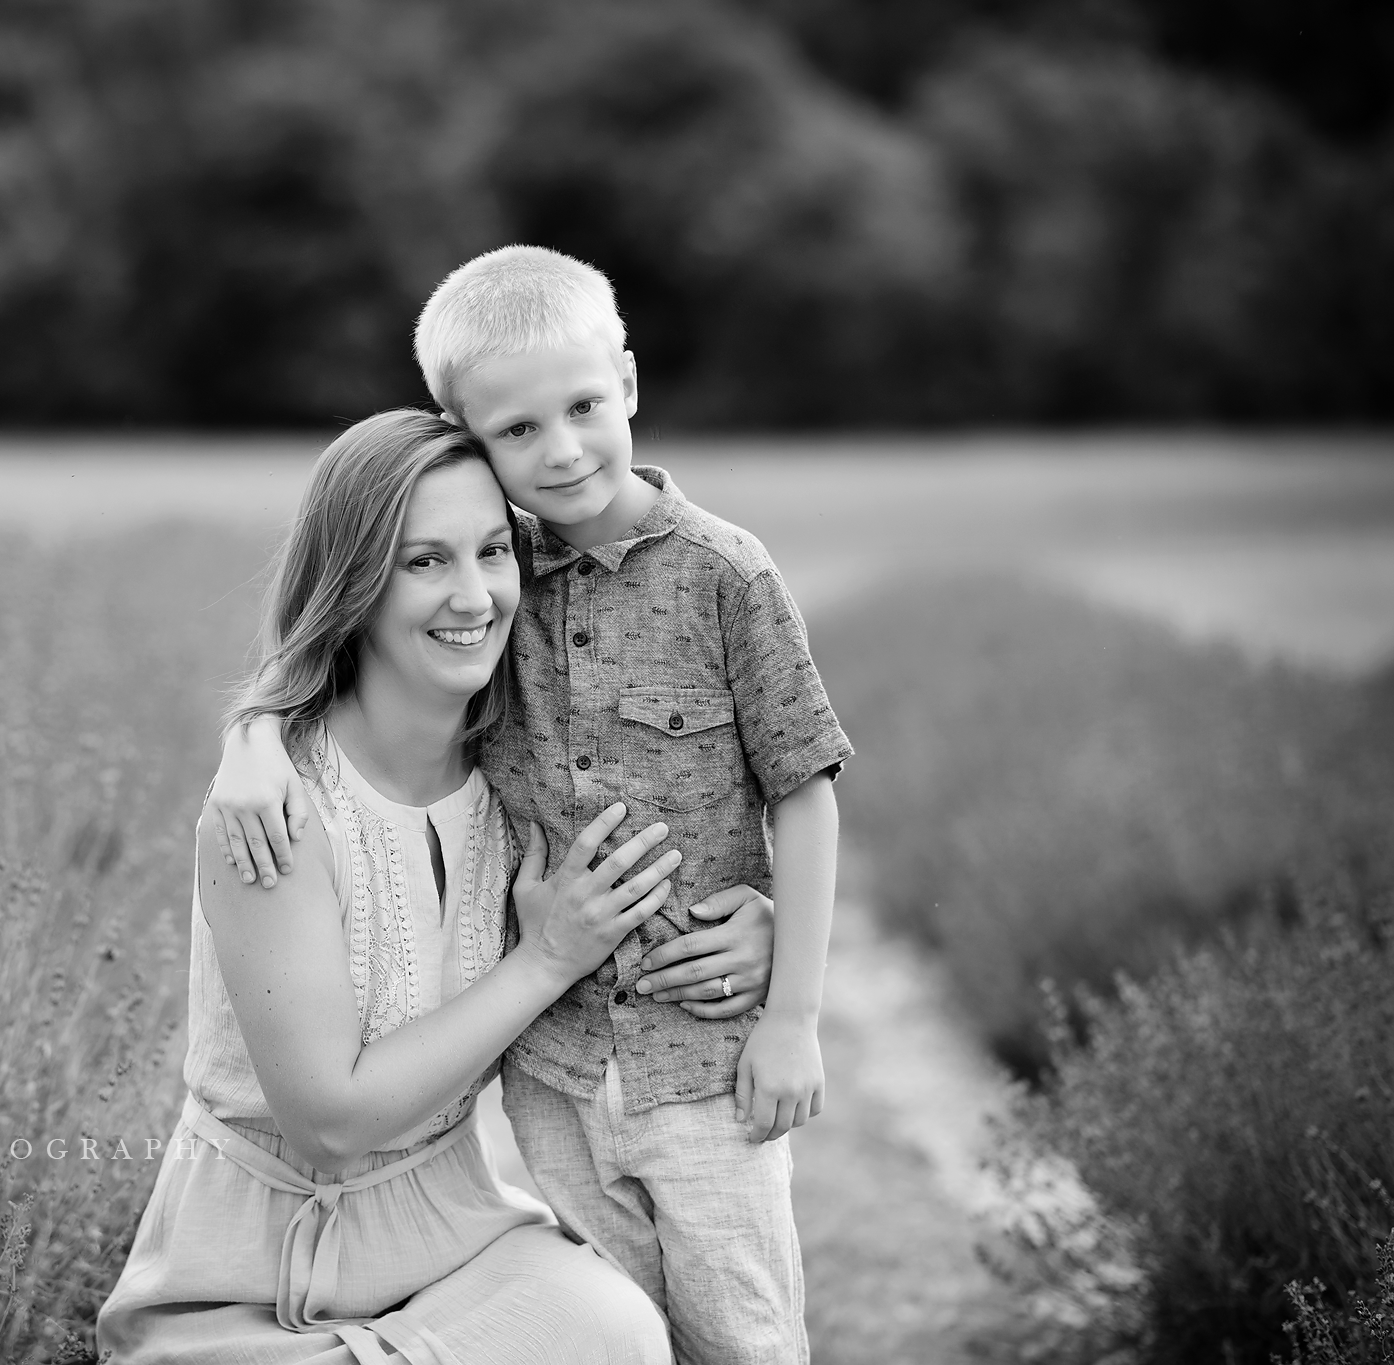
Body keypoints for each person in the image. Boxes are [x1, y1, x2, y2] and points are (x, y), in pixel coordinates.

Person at [207, 246, 853, 1364]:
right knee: (623, 1334)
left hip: (696, 1057)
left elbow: (804, 785)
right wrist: (250, 738)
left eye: (584, 408)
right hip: (549, 1074)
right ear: (464, 433)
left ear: (631, 385)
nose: (559, 451)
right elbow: (329, 656)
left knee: (743, 1337)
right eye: (515, 431)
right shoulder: (497, 581)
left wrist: (792, 994)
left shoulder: (725, 576)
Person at [97, 408, 691, 1364]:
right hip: (253, 1287)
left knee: (616, 1332)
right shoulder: (275, 810)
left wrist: (755, 926)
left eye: (492, 552)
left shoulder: (526, 779)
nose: (473, 595)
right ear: (355, 588)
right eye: (423, 562)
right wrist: (545, 959)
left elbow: (698, 845)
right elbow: (329, 1124)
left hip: (457, 1242)